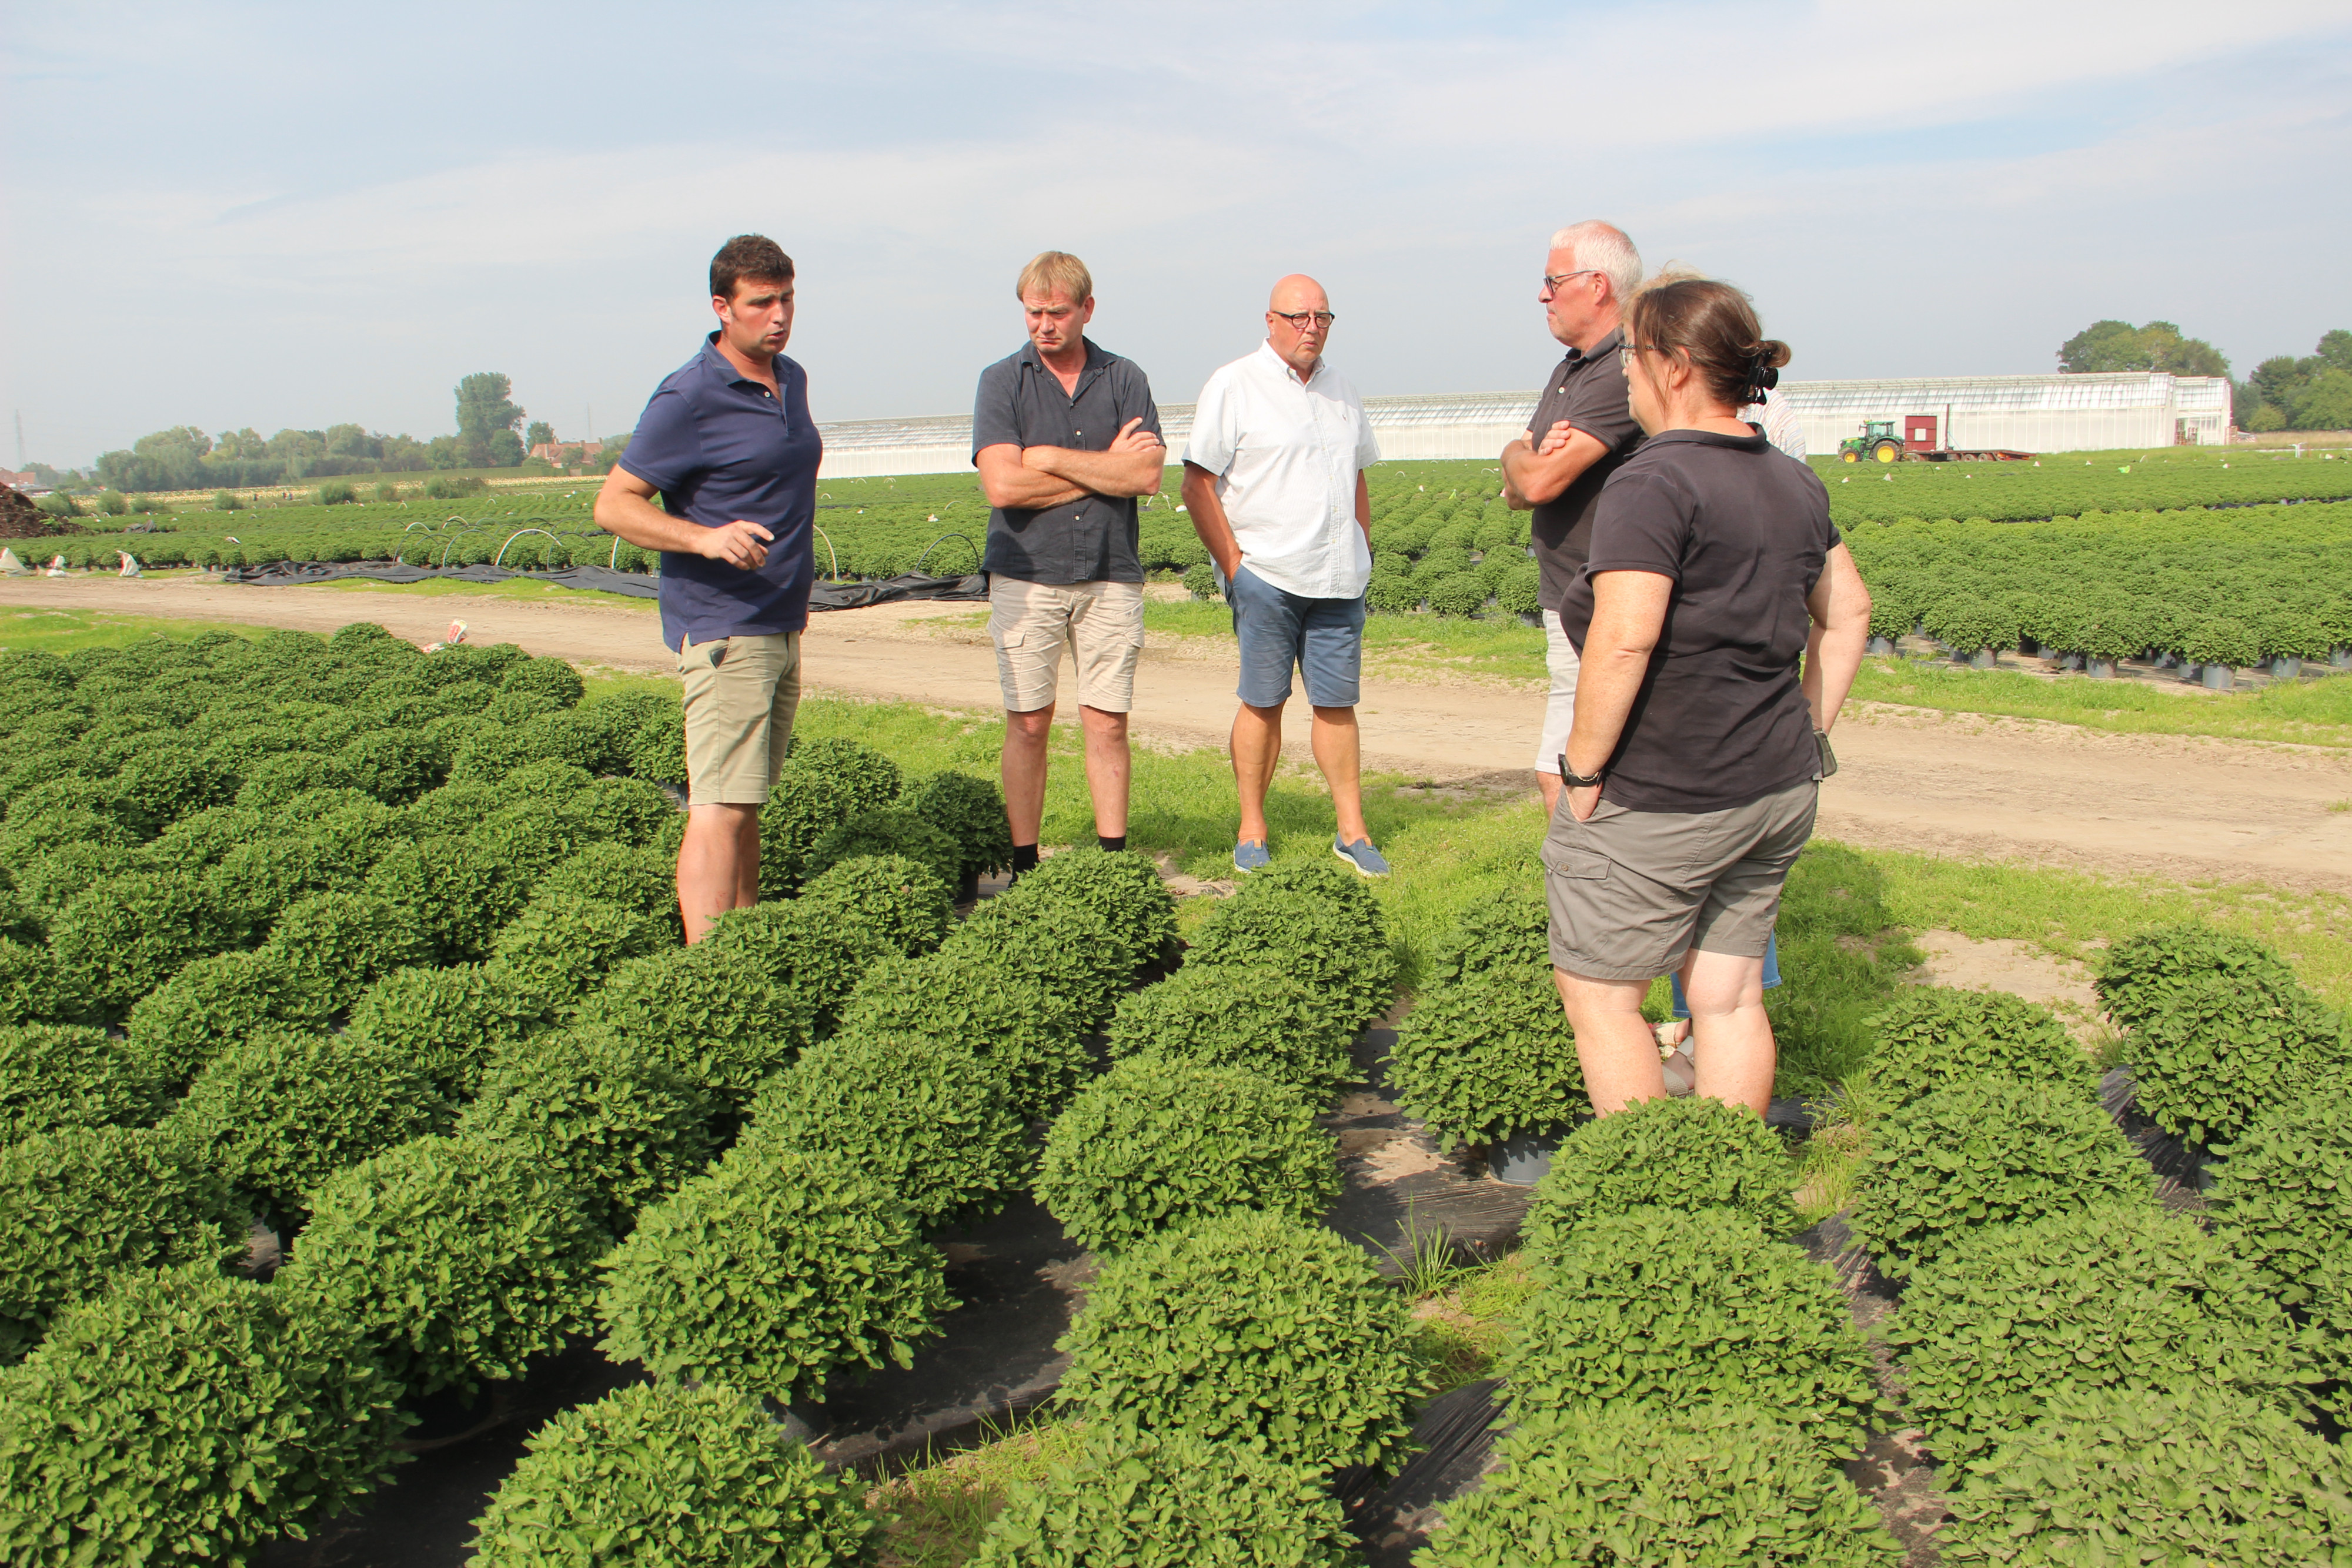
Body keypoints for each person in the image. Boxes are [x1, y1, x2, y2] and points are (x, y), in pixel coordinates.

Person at [1545, 269, 1871, 1118]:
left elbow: (1625, 636)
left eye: (1634, 356)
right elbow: (1852, 612)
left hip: (1667, 797)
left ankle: (1657, 1201)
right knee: (1726, 999)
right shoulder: (1794, 481)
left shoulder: (1655, 481)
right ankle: (1731, 1183)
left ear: (1678, 365)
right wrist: (1809, 731)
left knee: (1603, 997)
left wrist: (1581, 771)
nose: (1622, 371)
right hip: (1774, 787)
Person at [594, 234, 820, 943]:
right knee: (717, 806)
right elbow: (614, 504)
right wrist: (702, 537)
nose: (778, 316)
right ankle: (707, 963)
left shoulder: (793, 378)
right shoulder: (688, 396)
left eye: (786, 299)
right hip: (725, 625)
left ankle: (743, 942)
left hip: (779, 621)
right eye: (761, 304)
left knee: (745, 800)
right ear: (722, 308)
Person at [1182, 275, 1388, 876]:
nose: (1311, 328)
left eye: (1322, 317)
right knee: (1263, 700)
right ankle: (1252, 827)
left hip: (1338, 579)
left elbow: (1356, 478)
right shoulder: (1235, 384)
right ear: (1269, 320)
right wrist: (1234, 567)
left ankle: (1352, 831)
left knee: (1337, 704)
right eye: (1298, 317)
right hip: (1267, 574)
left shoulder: (1341, 390)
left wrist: (1363, 550)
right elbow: (1197, 483)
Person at [972, 252, 1166, 874]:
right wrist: (1101, 469)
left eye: (1057, 312)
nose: (1044, 325)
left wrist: (1045, 458)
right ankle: (1025, 862)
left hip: (1110, 572)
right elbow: (1003, 489)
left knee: (1107, 721)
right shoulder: (1002, 382)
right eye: (1034, 313)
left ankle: (1112, 862)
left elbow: (1146, 473)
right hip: (1025, 574)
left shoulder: (1124, 378)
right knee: (1028, 722)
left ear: (1087, 309)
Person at [1501, 221, 1647, 817]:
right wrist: (1521, 458)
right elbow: (1517, 495)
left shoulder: (1622, 370)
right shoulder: (1571, 369)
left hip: (1604, 601)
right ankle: (1584, 881)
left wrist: (1514, 452)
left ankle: (1590, 884)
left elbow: (1533, 479)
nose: (1542, 295)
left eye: (1551, 281)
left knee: (1572, 767)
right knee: (1561, 766)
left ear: (1597, 285)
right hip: (1566, 595)